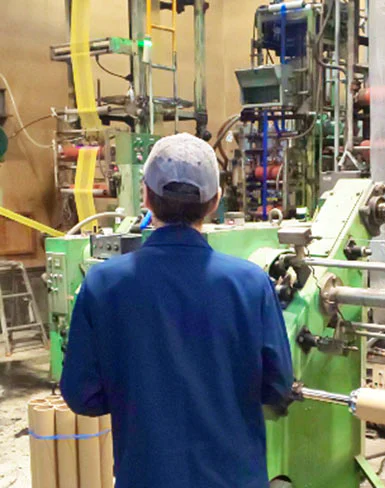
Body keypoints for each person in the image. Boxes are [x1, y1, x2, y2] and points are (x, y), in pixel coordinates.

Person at [61, 133, 294, 488]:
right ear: (215, 201)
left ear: (145, 197)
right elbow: (278, 387)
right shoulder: (250, 284)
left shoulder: (103, 283)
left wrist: (137, 392)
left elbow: (82, 395)